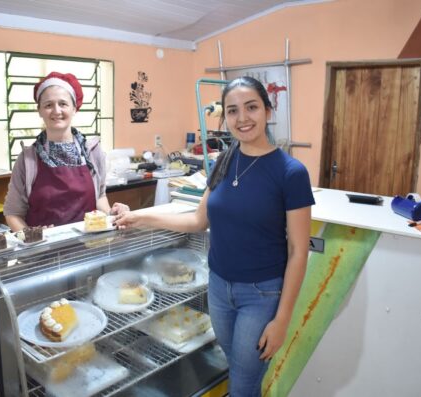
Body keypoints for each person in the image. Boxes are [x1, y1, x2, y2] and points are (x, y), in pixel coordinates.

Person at [115, 76, 315, 396]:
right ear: (225, 117)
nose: (242, 118)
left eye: (251, 107)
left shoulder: (290, 173)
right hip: (219, 288)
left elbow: (298, 251)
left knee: (245, 382)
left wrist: (282, 319)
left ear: (267, 109)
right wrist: (140, 216)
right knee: (235, 367)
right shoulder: (225, 160)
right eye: (232, 111)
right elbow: (198, 221)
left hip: (261, 295)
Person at [4, 71, 128, 232]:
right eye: (48, 105)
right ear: (39, 110)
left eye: (63, 104)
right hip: (42, 252)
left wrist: (112, 214)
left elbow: (99, 197)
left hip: (90, 248)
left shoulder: (92, 153)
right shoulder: (28, 160)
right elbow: (13, 212)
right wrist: (30, 237)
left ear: (74, 108)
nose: (56, 111)